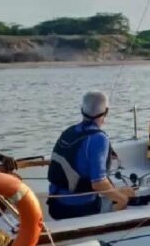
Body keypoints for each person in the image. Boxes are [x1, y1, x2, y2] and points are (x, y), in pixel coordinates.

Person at [47, 91, 134, 220]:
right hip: (80, 208)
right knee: (129, 195)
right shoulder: (99, 138)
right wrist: (123, 199)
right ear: (106, 111)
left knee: (122, 192)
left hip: (55, 206)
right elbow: (98, 184)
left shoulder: (69, 131)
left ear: (82, 110)